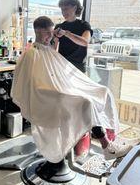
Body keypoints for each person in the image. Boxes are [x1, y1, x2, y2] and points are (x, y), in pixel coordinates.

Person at [11, 16, 133, 162]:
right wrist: (62, 91)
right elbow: (34, 86)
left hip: (57, 92)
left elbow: (56, 71)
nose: (51, 35)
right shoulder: (32, 53)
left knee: (102, 91)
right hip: (45, 98)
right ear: (37, 31)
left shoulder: (47, 50)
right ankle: (107, 147)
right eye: (47, 33)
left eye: (52, 32)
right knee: (86, 102)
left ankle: (113, 139)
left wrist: (54, 41)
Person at [53, 0, 119, 150]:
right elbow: (54, 51)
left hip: (78, 71)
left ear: (75, 8)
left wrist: (67, 34)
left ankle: (107, 133)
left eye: (67, 8)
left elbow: (84, 42)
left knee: (96, 97)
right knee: (81, 104)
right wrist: (55, 39)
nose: (64, 12)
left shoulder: (84, 25)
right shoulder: (59, 26)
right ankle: (101, 141)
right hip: (62, 71)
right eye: (62, 9)